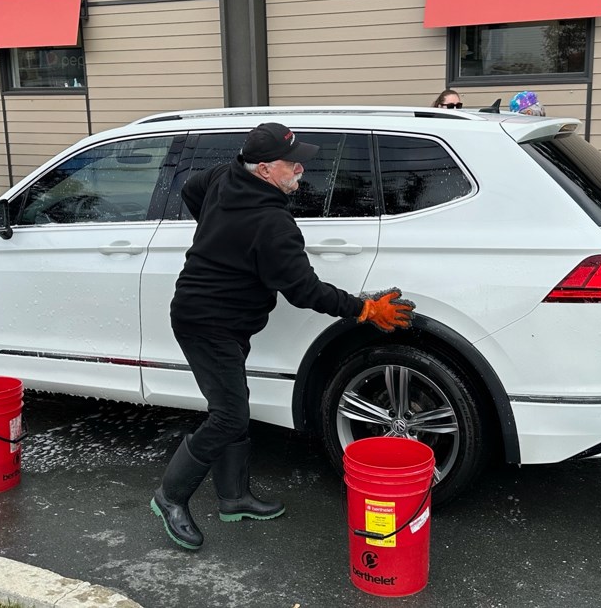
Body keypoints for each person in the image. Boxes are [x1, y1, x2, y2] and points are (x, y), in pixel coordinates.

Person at [152, 122, 416, 550]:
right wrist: (365, 308)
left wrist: (217, 234)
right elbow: (304, 291)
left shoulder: (224, 175)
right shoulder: (272, 224)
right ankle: (171, 496)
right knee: (229, 415)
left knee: (230, 403)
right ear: (262, 170)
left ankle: (233, 498)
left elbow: (191, 190)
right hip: (206, 322)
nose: (300, 170)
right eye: (291, 164)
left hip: (225, 319)